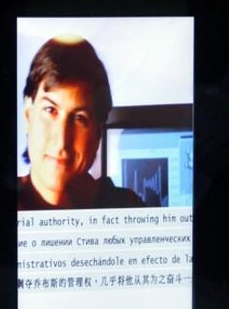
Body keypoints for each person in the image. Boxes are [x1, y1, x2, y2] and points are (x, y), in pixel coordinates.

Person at [18, 35, 144, 210]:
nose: (62, 141)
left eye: (79, 118)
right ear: (27, 115)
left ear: (98, 134)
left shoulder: (128, 208)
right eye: (50, 110)